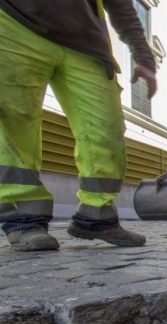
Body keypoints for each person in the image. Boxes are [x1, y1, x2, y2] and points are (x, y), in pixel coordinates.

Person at [0, 0, 157, 251]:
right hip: (15, 22)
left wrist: (143, 54)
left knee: (107, 130)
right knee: (14, 125)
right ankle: (23, 218)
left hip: (87, 41)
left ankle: (96, 215)